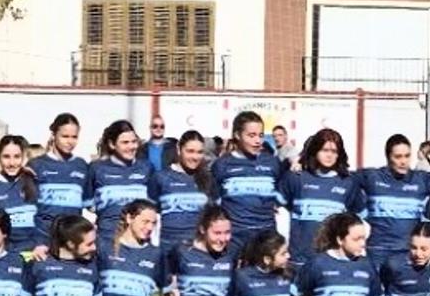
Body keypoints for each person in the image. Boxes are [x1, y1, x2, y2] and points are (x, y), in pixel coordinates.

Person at [279, 128, 361, 269]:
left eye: (334, 151)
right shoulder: (296, 177)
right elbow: (274, 210)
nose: (329, 155)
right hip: (300, 262)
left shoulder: (348, 182)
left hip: (333, 263)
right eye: (324, 150)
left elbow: (361, 221)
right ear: (315, 150)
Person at [359, 134, 430, 272]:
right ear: (388, 157)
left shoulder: (422, 180)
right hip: (378, 252)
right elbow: (341, 177)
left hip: (408, 253)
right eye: (398, 157)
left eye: (407, 156)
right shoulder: (372, 177)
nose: (403, 161)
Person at [212, 111, 283, 252]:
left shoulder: (272, 163)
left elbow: (281, 196)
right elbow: (214, 201)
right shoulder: (222, 165)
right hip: (235, 238)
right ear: (237, 135)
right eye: (251, 135)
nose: (258, 141)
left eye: (261, 135)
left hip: (266, 237)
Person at [29, 113, 90, 254]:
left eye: (74, 137)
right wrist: (38, 242)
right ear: (53, 134)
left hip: (72, 236)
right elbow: (27, 205)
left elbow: (89, 203)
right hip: (43, 237)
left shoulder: (82, 166)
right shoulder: (37, 165)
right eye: (65, 136)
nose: (70, 142)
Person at [150, 129, 215, 259]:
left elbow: (213, 218)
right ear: (179, 150)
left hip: (197, 251)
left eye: (199, 152)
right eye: (190, 151)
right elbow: (151, 216)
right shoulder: (161, 177)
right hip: (166, 250)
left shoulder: (208, 179)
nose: (195, 157)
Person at [87, 120, 152, 246]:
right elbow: (86, 202)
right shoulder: (96, 168)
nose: (131, 147)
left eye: (134, 142)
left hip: (139, 241)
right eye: (125, 142)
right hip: (107, 238)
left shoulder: (146, 168)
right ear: (112, 144)